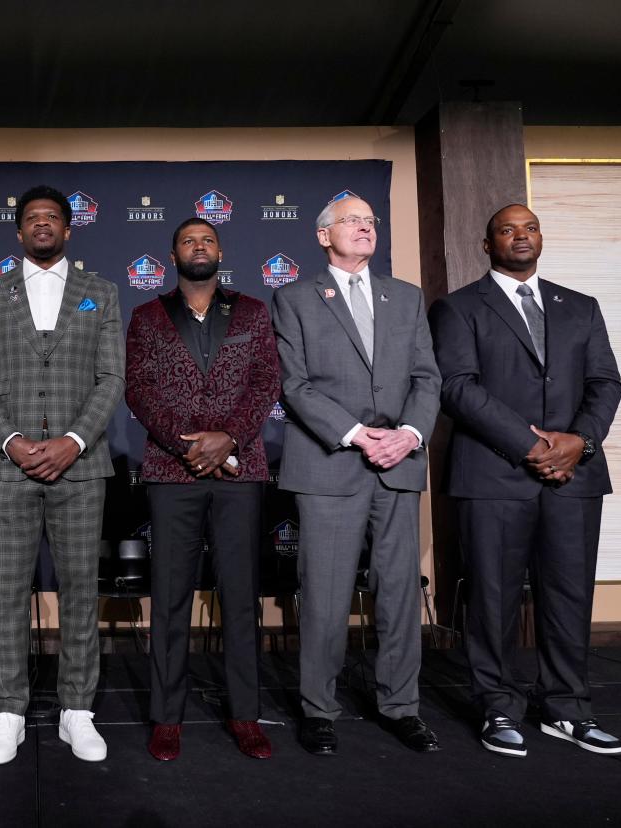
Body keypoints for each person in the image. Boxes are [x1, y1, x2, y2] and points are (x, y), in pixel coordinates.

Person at [429, 204, 621, 758]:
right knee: (492, 597)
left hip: (575, 477)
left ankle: (568, 710)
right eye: (507, 229)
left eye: (531, 226)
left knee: (568, 595)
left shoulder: (581, 307)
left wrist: (578, 443)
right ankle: (497, 706)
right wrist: (534, 445)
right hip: (493, 476)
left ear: (542, 238)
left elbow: (605, 383)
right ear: (486, 244)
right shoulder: (459, 307)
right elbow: (457, 387)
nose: (521, 235)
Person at [271, 194, 441, 756]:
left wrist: (410, 434)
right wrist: (355, 433)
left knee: (398, 593)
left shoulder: (407, 297)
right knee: (324, 595)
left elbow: (427, 377)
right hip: (331, 464)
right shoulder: (294, 297)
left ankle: (401, 707)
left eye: (371, 222)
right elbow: (294, 385)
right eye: (352, 221)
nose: (365, 228)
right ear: (324, 236)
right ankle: (319, 709)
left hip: (399, 464)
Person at [0, 184, 126, 765]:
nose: (42, 225)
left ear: (68, 229)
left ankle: (76, 712)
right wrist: (11, 441)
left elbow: (111, 378)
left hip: (80, 469)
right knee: (7, 592)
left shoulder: (100, 293)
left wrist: (73, 441)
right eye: (31, 218)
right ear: (18, 231)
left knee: (81, 592)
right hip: (7, 469)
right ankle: (8, 711)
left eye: (52, 217)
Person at [125, 218, 280, 761]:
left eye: (207, 240)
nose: (198, 247)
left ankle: (244, 714)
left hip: (242, 469)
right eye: (189, 241)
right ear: (173, 254)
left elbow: (266, 381)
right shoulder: (147, 316)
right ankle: (167, 717)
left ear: (221, 251)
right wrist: (188, 445)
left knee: (239, 598)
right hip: (173, 471)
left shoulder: (253, 312)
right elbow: (138, 389)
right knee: (170, 599)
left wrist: (229, 438)